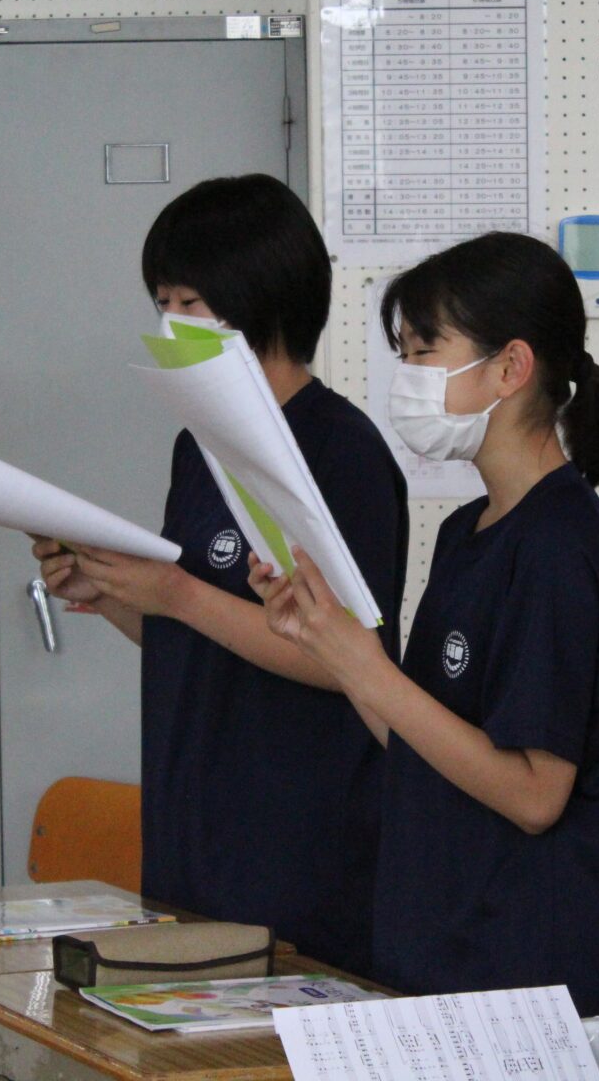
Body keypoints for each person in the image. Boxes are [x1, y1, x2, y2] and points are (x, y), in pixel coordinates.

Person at [246, 231, 599, 1050]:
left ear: (510, 368)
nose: (408, 377)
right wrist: (328, 640)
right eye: (403, 352)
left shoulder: (559, 545)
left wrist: (370, 669)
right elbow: (421, 741)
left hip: (527, 993)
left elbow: (536, 794)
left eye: (427, 350)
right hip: (441, 966)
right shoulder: (469, 530)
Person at [32, 174, 407, 978]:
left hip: (301, 849)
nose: (170, 324)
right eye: (161, 301)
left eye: (191, 303)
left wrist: (175, 593)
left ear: (259, 297)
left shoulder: (343, 451)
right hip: (193, 827)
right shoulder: (198, 447)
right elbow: (194, 630)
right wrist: (109, 592)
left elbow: (347, 664)